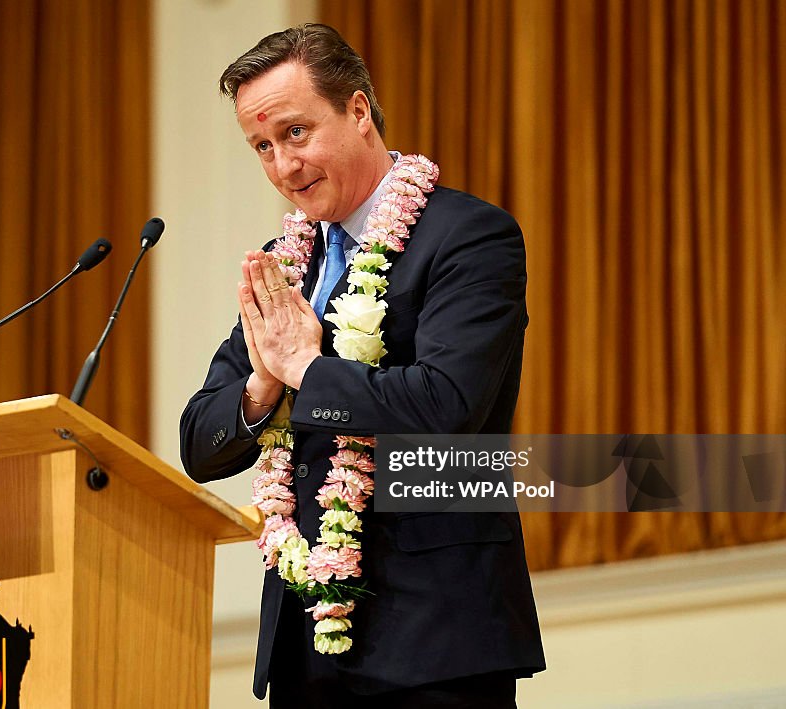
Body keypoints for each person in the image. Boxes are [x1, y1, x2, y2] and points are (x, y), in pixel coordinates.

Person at [179, 24, 545, 708]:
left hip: (438, 638)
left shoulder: (468, 235)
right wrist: (262, 385)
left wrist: (307, 371)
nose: (283, 164)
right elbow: (200, 440)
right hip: (305, 646)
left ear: (358, 111)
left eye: (295, 132)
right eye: (262, 145)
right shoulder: (285, 266)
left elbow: (446, 404)